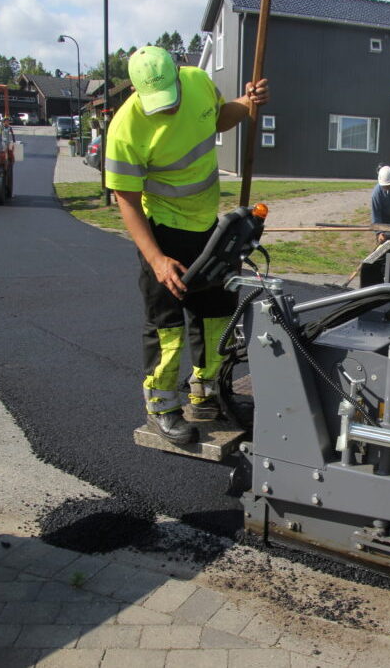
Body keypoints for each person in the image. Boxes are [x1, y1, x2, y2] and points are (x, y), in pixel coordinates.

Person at [105, 45, 269, 445]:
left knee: (216, 315)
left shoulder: (197, 82)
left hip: (207, 228)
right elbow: (125, 200)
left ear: (179, 77)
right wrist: (157, 260)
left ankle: (205, 390)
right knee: (169, 326)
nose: (165, 108)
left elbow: (219, 119)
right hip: (161, 232)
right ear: (138, 91)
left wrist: (247, 103)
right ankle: (162, 406)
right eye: (155, 103)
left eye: (170, 98)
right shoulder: (125, 128)